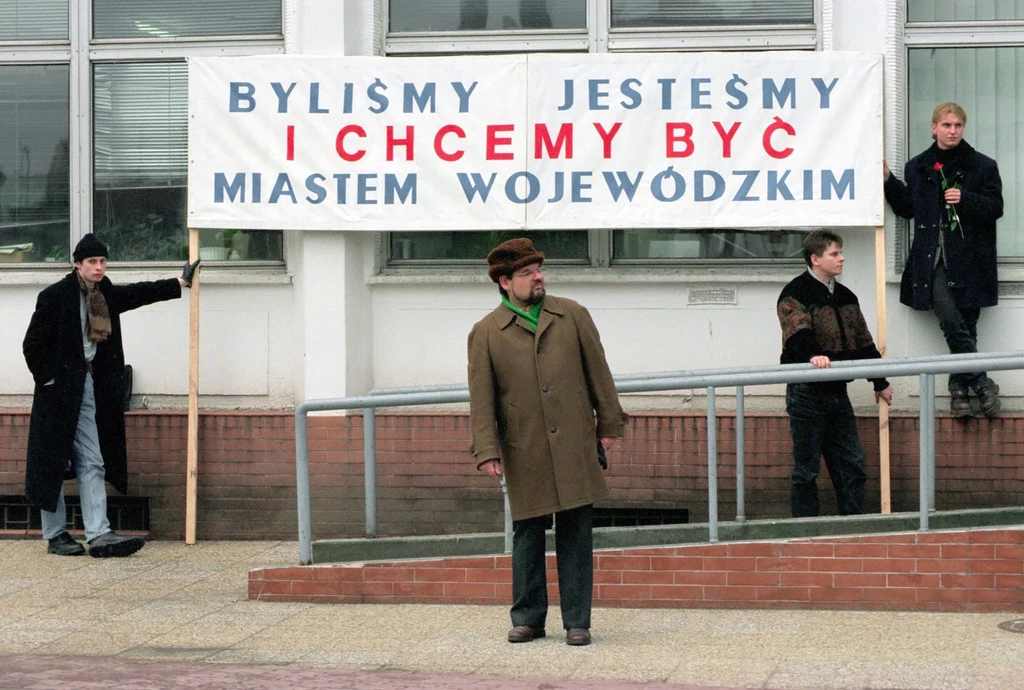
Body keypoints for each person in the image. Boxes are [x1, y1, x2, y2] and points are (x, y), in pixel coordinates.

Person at [467, 237, 626, 647]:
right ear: (505, 282)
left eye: (539, 269)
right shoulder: (486, 332)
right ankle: (528, 619)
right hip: (525, 449)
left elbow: (599, 373)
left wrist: (609, 423)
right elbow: (481, 399)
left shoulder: (571, 314)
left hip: (574, 442)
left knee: (576, 532)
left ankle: (577, 621)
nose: (538, 277)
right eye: (526, 273)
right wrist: (486, 450)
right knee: (527, 534)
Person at [23, 233, 200, 557]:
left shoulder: (103, 294)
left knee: (93, 459)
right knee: (52, 461)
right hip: (58, 391)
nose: (99, 267)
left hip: (89, 387)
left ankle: (99, 533)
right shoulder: (55, 296)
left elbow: (137, 294)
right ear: (77, 264)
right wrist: (48, 381)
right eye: (92, 262)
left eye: (102, 262)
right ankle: (56, 535)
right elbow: (32, 344)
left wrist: (179, 282)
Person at [883, 102, 1004, 418]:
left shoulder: (983, 166)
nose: (953, 131)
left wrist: (967, 199)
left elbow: (995, 208)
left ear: (963, 128)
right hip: (931, 261)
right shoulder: (918, 166)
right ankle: (982, 381)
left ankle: (958, 393)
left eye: (958, 126)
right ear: (934, 127)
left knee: (966, 326)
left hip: (970, 261)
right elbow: (907, 208)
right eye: (947, 125)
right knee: (951, 320)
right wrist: (887, 181)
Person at [777, 230, 893, 518]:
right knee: (807, 470)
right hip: (806, 391)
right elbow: (796, 335)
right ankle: (805, 532)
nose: (842, 258)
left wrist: (880, 382)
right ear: (815, 259)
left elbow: (864, 341)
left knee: (852, 467)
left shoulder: (845, 296)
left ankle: (851, 529)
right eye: (834, 253)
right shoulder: (795, 293)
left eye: (841, 252)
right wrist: (813, 356)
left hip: (837, 393)